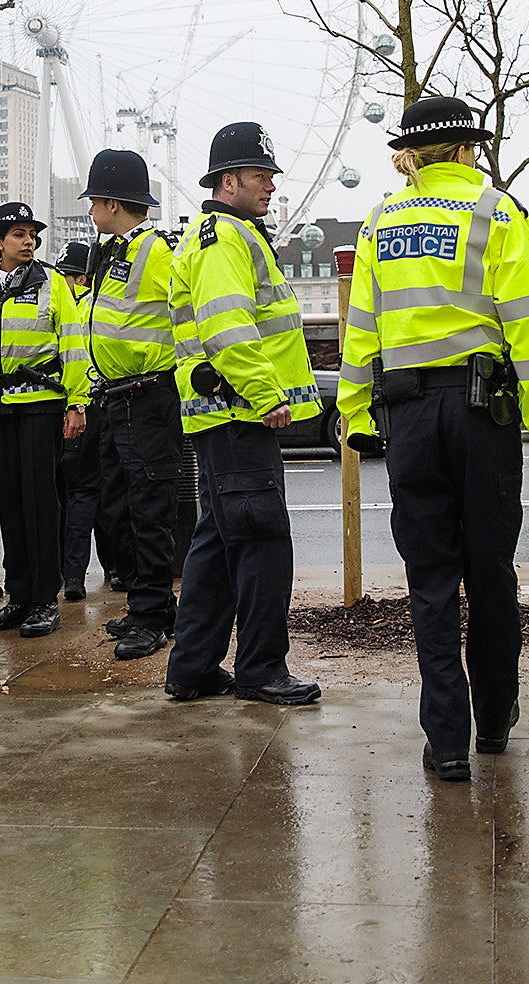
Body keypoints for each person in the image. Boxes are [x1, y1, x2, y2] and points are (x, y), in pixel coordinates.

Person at [338, 97, 529, 781]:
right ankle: (496, 719)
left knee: (431, 577)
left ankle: (446, 740)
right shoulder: (498, 214)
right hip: (484, 417)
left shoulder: (382, 220)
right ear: (468, 150)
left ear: (410, 153)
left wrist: (355, 415)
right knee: (490, 571)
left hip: (409, 416)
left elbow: (363, 332)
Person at [163, 122, 322, 707]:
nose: (271, 187)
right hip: (239, 414)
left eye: (272, 177)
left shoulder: (222, 236)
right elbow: (230, 326)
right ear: (229, 181)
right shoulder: (224, 238)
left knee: (217, 542)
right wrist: (265, 394)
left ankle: (193, 667)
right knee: (260, 542)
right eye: (261, 176)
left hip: (223, 415)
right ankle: (260, 669)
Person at [0, 202, 88, 638]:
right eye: (19, 235)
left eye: (32, 235)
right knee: (8, 502)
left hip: (40, 405)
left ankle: (45, 599)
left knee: (40, 503)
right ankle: (19, 597)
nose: (29, 242)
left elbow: (73, 341)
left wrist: (77, 402)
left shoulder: (51, 284)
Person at [80, 148, 186, 661]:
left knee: (150, 510)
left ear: (111, 202)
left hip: (148, 394)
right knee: (122, 507)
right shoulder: (115, 251)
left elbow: (184, 312)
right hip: (118, 394)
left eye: (94, 202)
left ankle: (154, 615)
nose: (90, 212)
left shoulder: (156, 252)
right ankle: (148, 603)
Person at [51, 239, 106, 603]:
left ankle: (60, 572)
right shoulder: (93, 306)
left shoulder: (52, 304)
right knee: (88, 493)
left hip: (52, 405)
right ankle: (77, 574)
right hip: (86, 405)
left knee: (58, 495)